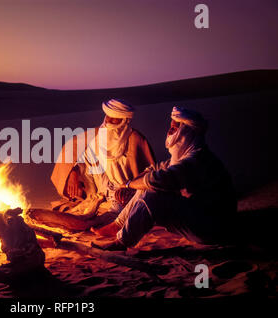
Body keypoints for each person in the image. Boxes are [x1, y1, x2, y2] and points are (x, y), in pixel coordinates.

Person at [92, 106, 237, 250]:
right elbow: (154, 168)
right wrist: (130, 184)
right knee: (147, 188)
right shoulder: (183, 158)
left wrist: (129, 185)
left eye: (174, 129)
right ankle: (117, 225)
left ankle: (121, 243)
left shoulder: (198, 159)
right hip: (200, 221)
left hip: (212, 228)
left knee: (152, 194)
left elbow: (158, 180)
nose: (169, 132)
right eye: (170, 127)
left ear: (186, 133)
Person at [50, 99, 155, 212]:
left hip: (124, 190)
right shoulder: (99, 135)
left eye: (113, 118)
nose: (108, 122)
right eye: (107, 117)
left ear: (124, 120)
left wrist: (131, 187)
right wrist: (73, 173)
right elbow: (77, 150)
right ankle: (95, 200)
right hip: (101, 188)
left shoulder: (135, 138)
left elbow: (150, 171)